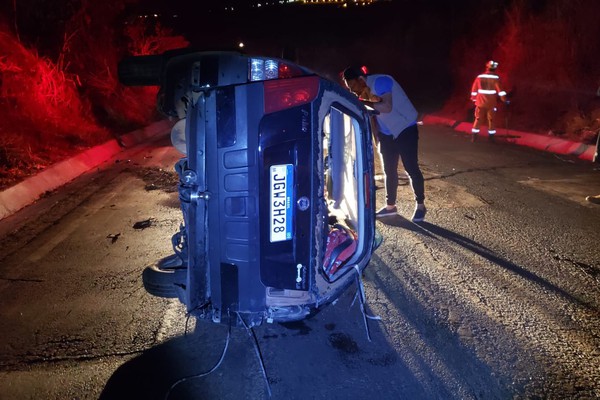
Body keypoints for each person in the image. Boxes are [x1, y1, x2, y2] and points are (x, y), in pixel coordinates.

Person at [342, 65, 426, 222]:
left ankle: (420, 205)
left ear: (360, 79)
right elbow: (372, 115)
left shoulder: (381, 81)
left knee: (411, 168)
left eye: (353, 86)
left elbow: (386, 107)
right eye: (349, 88)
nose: (353, 91)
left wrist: (361, 102)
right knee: (389, 170)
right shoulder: (364, 91)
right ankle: (390, 206)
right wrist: (377, 137)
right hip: (387, 133)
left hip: (405, 128)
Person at [470, 60, 508, 141]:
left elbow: (474, 89)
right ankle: (491, 138)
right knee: (491, 120)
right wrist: (504, 100)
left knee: (478, 119)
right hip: (491, 103)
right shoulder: (495, 78)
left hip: (480, 102)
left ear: (487, 67)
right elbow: (500, 91)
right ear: (494, 68)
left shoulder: (479, 77)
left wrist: (473, 99)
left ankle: (474, 136)